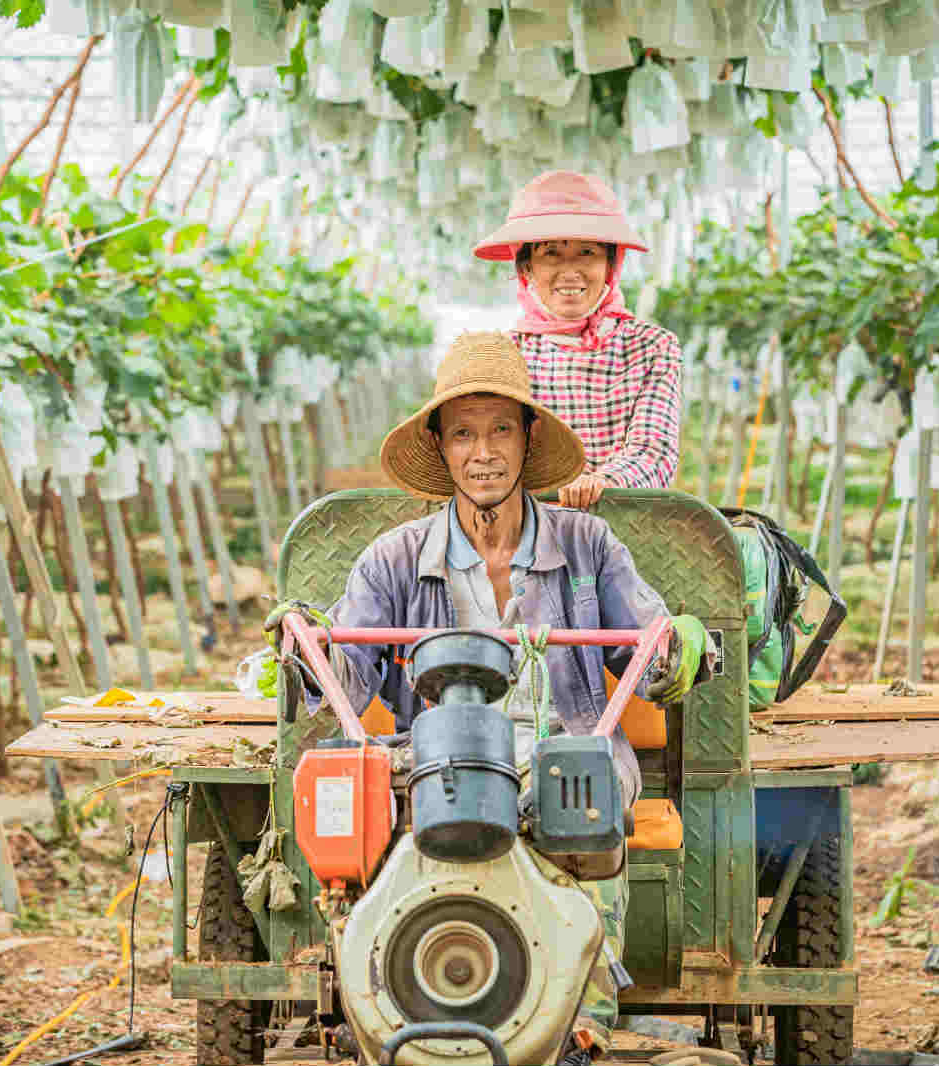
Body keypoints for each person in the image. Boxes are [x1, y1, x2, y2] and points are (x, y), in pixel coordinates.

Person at [269, 331, 708, 1065]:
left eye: (501, 429)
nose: (483, 452)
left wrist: (677, 644)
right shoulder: (394, 558)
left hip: (562, 748)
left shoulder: (588, 543)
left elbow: (654, 637)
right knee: (369, 801)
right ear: (441, 447)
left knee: (584, 791)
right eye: (464, 433)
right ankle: (377, 1005)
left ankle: (580, 1026)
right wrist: (308, 649)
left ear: (528, 438)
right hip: (432, 755)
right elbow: (348, 674)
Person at [474, 170, 683, 509]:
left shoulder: (653, 347)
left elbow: (654, 452)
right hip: (530, 523)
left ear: (611, 266)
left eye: (587, 252)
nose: (569, 271)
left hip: (627, 518)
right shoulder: (505, 354)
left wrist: (603, 483)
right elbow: (492, 451)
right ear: (526, 268)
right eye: (550, 253)